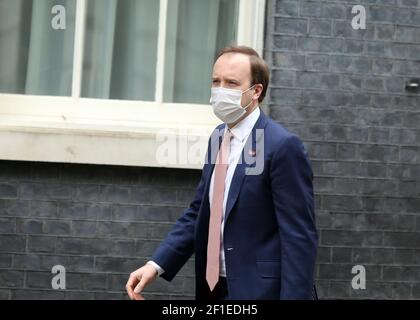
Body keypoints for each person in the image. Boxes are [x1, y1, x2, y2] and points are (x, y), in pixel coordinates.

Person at [126, 45, 318, 300]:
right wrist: (156, 265)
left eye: (231, 83)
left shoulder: (281, 146)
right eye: (216, 81)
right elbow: (200, 212)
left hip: (261, 291)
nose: (220, 90)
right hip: (215, 289)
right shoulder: (218, 138)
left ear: (256, 91)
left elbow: (298, 237)